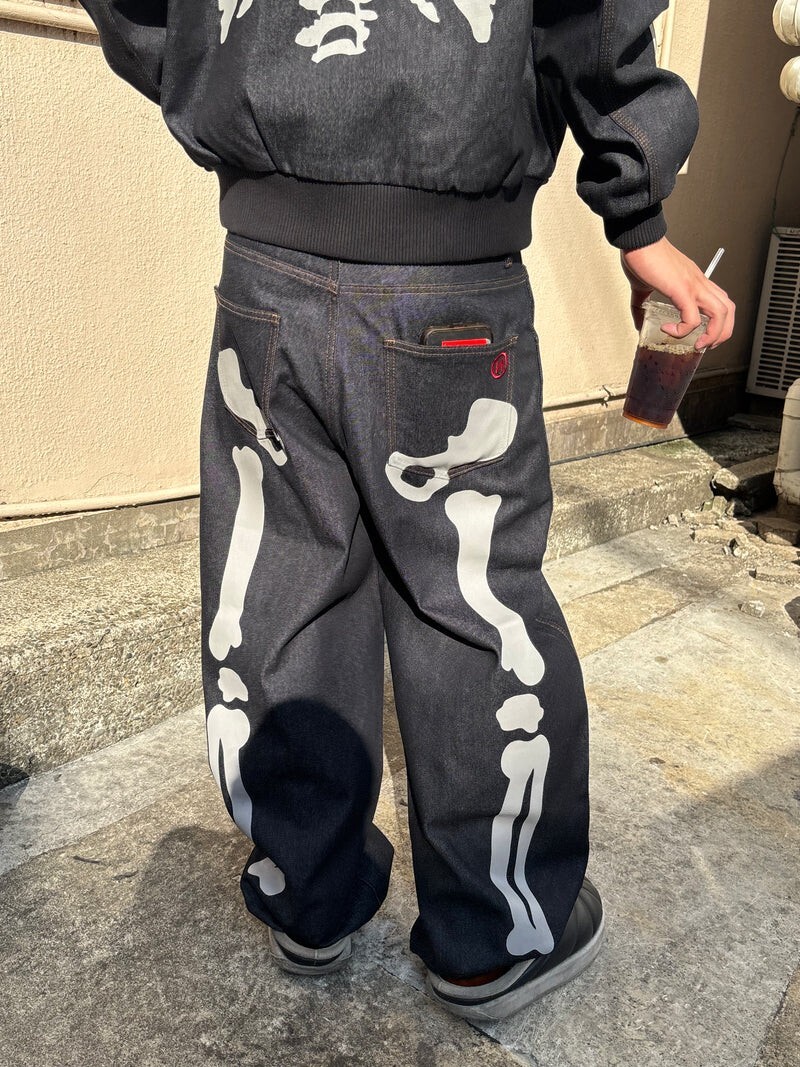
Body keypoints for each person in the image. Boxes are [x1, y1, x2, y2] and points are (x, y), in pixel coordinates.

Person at [77, 0, 734, 1023]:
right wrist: (637, 210)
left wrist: (225, 68)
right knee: (469, 600)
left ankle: (308, 891)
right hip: (449, 275)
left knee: (280, 580)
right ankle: (496, 932)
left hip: (265, 268)